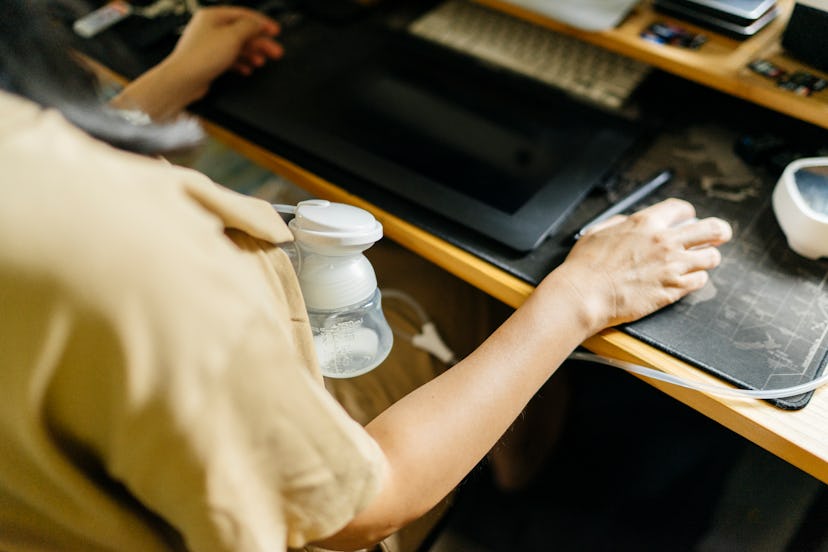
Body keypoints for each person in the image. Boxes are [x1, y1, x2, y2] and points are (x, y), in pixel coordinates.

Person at [0, 1, 733, 551]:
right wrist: (581, 296)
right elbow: (366, 503)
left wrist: (159, 90)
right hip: (283, 509)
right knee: (479, 292)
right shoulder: (127, 260)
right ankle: (520, 486)